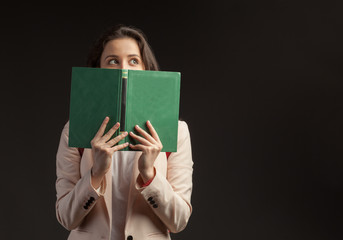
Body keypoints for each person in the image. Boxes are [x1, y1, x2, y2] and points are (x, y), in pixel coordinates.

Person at [55, 24, 193, 240]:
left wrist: (149, 175)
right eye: (112, 61)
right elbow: (66, 217)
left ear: (146, 69)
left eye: (133, 60)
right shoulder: (74, 132)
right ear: (98, 70)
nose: (123, 69)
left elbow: (179, 220)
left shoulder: (176, 132)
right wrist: (95, 174)